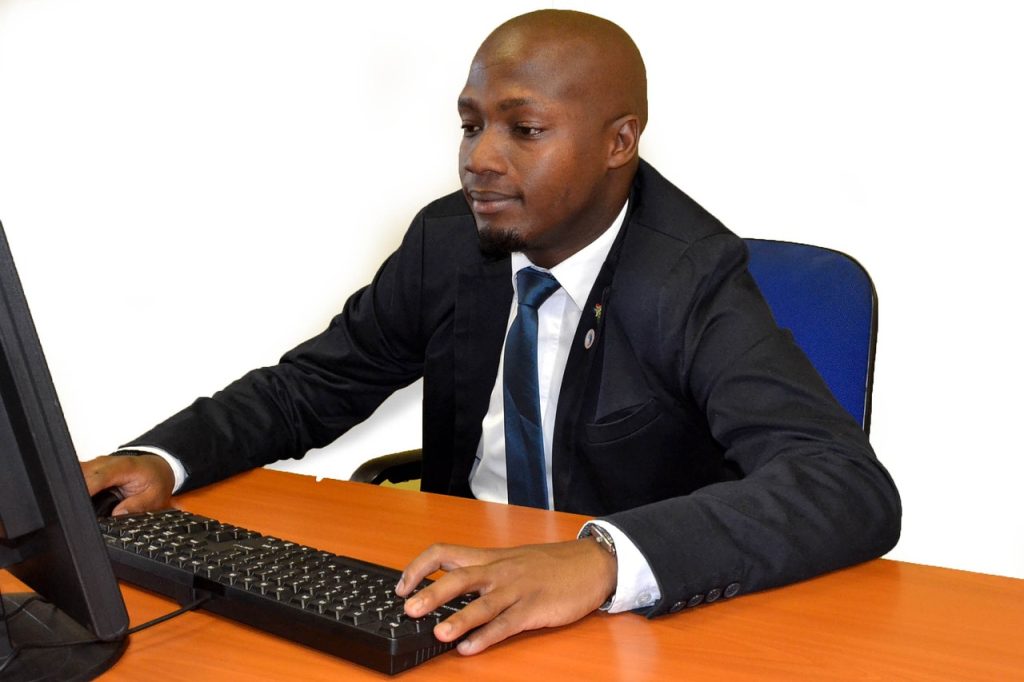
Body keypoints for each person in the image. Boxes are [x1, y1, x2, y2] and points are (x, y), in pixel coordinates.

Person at [81, 9, 900, 657]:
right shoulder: (450, 242)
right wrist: (163, 459)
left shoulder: (689, 277)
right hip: (456, 591)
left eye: (524, 129)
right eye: (471, 124)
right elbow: (314, 386)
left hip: (631, 626)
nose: (479, 158)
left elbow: (845, 484)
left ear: (621, 142)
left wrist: (601, 559)